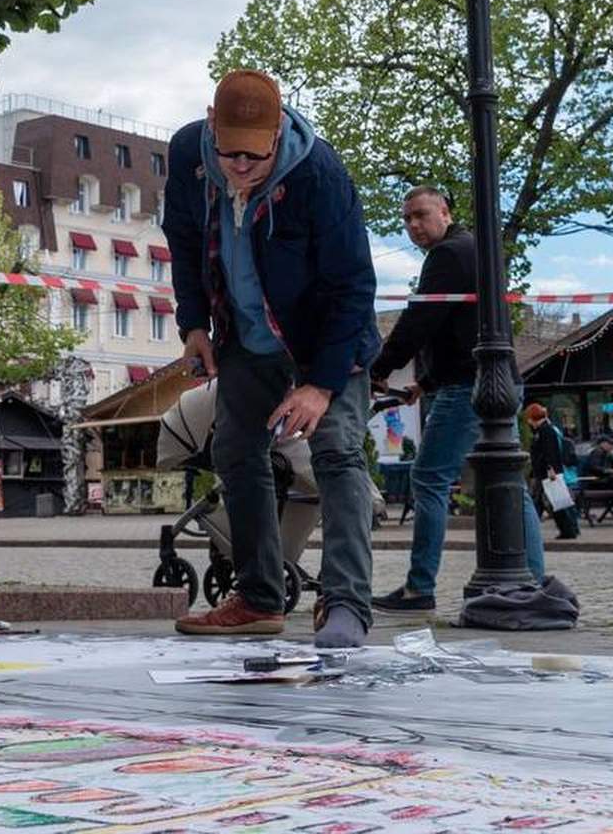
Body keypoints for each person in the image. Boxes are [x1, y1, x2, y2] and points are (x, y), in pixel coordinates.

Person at [163, 69, 381, 648]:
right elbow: (182, 239)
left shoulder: (318, 173)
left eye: (254, 157)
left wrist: (320, 386)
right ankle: (259, 597)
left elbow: (353, 285)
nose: (239, 167)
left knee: (336, 452)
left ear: (279, 130)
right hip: (246, 333)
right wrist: (193, 324)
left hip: (324, 339)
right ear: (210, 124)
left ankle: (346, 603)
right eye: (228, 152)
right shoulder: (186, 155)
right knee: (235, 449)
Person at [368, 187, 548, 612]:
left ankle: (419, 588)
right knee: (507, 483)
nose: (413, 225)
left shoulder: (447, 254)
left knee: (429, 479)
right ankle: (533, 582)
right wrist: (426, 383)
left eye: (420, 215)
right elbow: (463, 326)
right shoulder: (474, 249)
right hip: (496, 380)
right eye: (407, 219)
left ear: (444, 213)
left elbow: (420, 320)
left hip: (470, 385)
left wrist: (380, 368)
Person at [524, 403, 580, 540]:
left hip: (547, 472)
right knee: (555, 501)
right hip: (545, 471)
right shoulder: (545, 430)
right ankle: (569, 528)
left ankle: (567, 529)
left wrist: (550, 468)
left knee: (553, 501)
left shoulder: (545, 431)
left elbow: (549, 452)